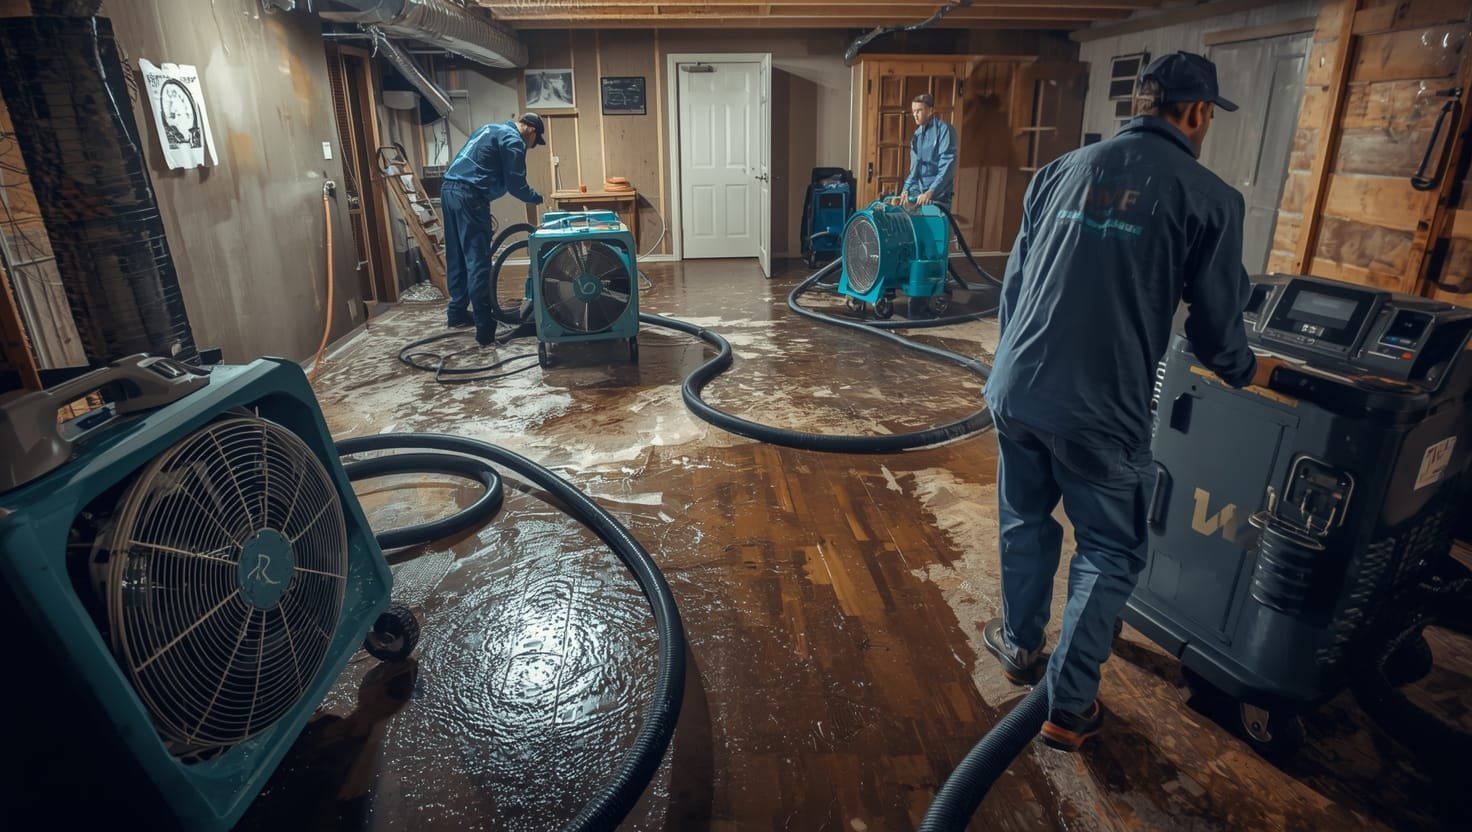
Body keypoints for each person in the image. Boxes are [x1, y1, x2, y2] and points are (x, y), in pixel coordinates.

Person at [980, 51, 1286, 752]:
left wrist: (1014, 369)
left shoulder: (1060, 170)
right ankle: (1069, 704)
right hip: (1099, 413)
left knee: (1024, 519)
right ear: (1198, 112)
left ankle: (1023, 645)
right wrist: (1253, 370)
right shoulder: (1210, 198)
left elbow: (1016, 285)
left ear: (1140, 103)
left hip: (1015, 387)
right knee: (1112, 550)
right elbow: (1217, 334)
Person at [441, 112, 547, 344]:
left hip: (449, 190)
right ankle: (485, 328)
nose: (532, 146)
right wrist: (537, 198)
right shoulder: (514, 141)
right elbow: (516, 184)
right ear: (531, 130)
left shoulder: (489, 128)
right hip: (470, 196)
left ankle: (456, 313)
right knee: (478, 261)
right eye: (535, 141)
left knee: (457, 256)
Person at [900, 93, 956, 210]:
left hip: (939, 195)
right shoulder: (917, 135)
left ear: (930, 111)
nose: (915, 115)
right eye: (914, 111)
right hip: (919, 193)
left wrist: (931, 191)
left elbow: (947, 167)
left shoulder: (944, 130)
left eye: (919, 110)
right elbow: (914, 169)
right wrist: (906, 188)